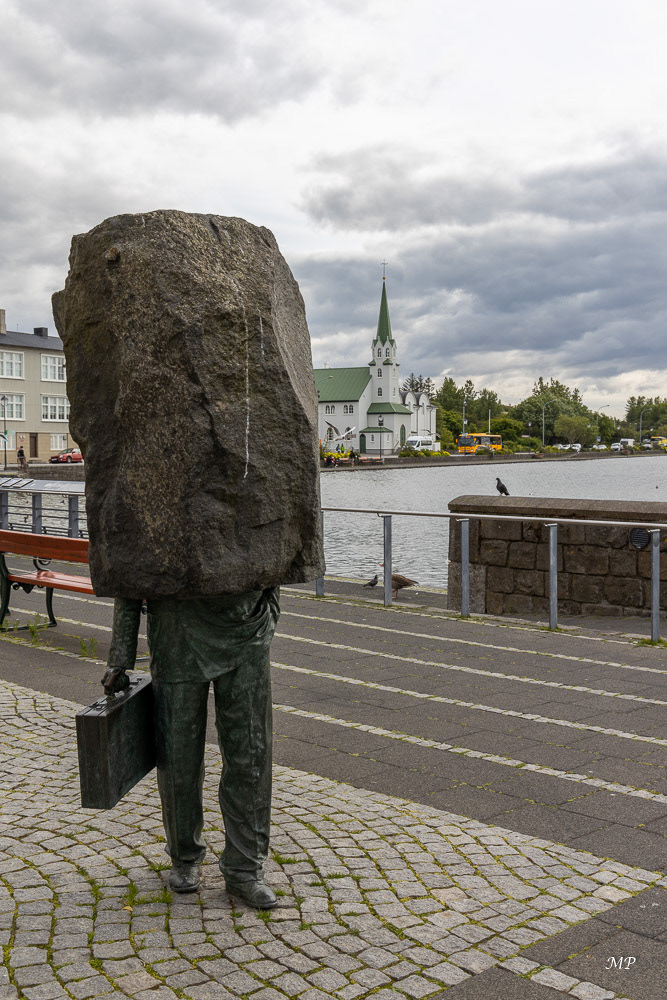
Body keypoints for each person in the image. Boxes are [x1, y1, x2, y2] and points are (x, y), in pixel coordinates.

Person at [103, 588, 280, 906]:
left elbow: (276, 553)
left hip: (246, 625)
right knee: (178, 755)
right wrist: (120, 654)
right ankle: (184, 855)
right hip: (176, 630)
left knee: (251, 753)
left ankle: (246, 867)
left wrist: (269, 612)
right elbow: (127, 563)